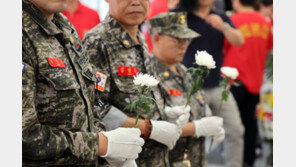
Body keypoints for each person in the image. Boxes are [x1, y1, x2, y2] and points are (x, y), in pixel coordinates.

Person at [22, 0, 144, 166]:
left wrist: (107, 143)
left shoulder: (63, 26)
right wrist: (101, 144)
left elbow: (87, 99)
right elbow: (22, 137)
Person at [83, 0, 189, 166]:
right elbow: (95, 106)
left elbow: (135, 96)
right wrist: (149, 128)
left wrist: (163, 112)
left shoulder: (139, 37)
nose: (136, 3)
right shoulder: (98, 41)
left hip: (154, 158)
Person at [145, 12, 226, 167]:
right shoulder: (148, 75)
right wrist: (198, 128)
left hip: (196, 158)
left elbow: (199, 102)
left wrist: (209, 120)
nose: (183, 45)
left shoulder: (184, 71)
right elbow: (153, 125)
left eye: (186, 40)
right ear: (156, 38)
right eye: (177, 40)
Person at [179, 0, 245, 167]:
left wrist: (223, 26)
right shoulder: (184, 16)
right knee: (193, 132)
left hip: (217, 84)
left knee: (236, 130)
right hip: (190, 86)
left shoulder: (221, 17)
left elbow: (239, 40)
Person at [223, 0, 273, 166]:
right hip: (255, 81)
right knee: (250, 124)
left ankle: (233, 161)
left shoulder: (232, 21)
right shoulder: (265, 22)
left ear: (237, 2)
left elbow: (222, 48)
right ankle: (248, 161)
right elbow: (268, 47)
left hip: (234, 80)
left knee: (232, 128)